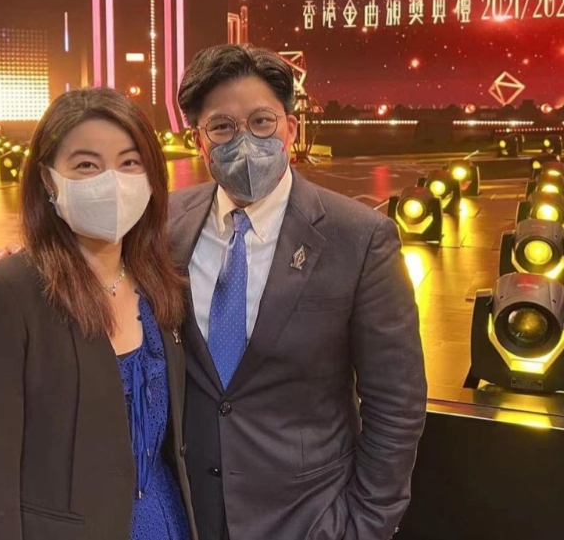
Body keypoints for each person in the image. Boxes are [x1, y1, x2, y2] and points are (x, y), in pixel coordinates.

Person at [170, 44, 427, 540]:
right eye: (222, 127)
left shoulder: (359, 237)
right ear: (199, 141)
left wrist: (364, 525)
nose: (244, 140)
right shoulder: (165, 224)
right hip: (187, 516)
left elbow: (396, 401)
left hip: (307, 519)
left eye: (261, 122)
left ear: (290, 128)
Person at [0, 88, 196, 540]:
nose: (112, 181)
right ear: (47, 178)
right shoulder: (5, 295)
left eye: (129, 162)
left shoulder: (162, 281)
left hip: (166, 520)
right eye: (86, 166)